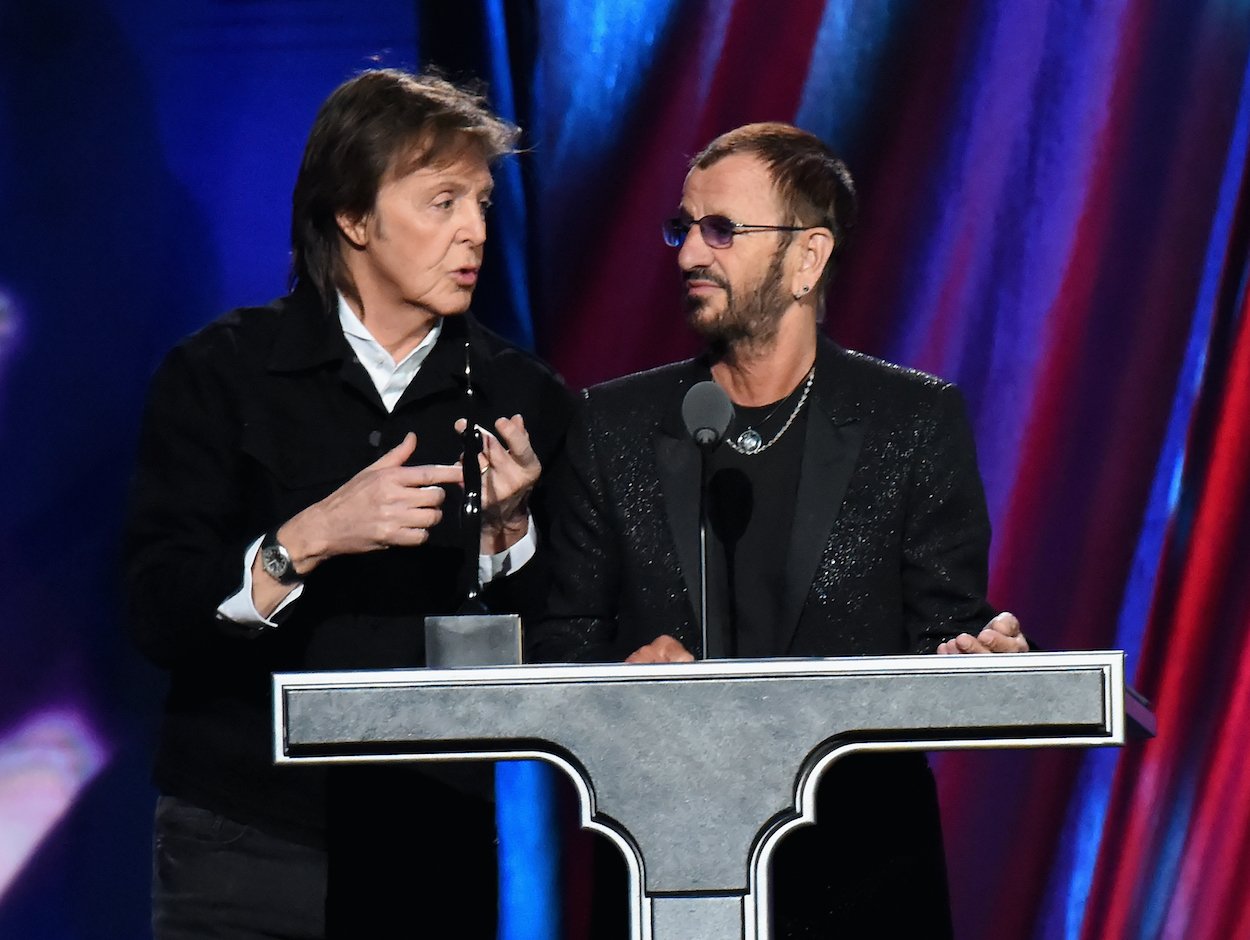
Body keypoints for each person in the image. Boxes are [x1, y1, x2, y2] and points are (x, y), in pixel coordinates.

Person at [532, 122, 1028, 938]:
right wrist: (621, 677)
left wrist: (985, 657)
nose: (691, 252)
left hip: (862, 878)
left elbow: (946, 631)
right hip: (669, 876)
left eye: (722, 229)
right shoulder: (612, 426)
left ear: (808, 258)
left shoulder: (910, 420)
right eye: (682, 227)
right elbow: (560, 648)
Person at [125, 69, 572, 939]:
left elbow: (565, 642)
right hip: (239, 831)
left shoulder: (527, 398)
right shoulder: (218, 376)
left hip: (429, 837)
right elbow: (153, 611)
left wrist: (507, 535)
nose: (474, 231)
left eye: (480, 202)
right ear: (354, 216)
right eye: (441, 202)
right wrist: (305, 540)